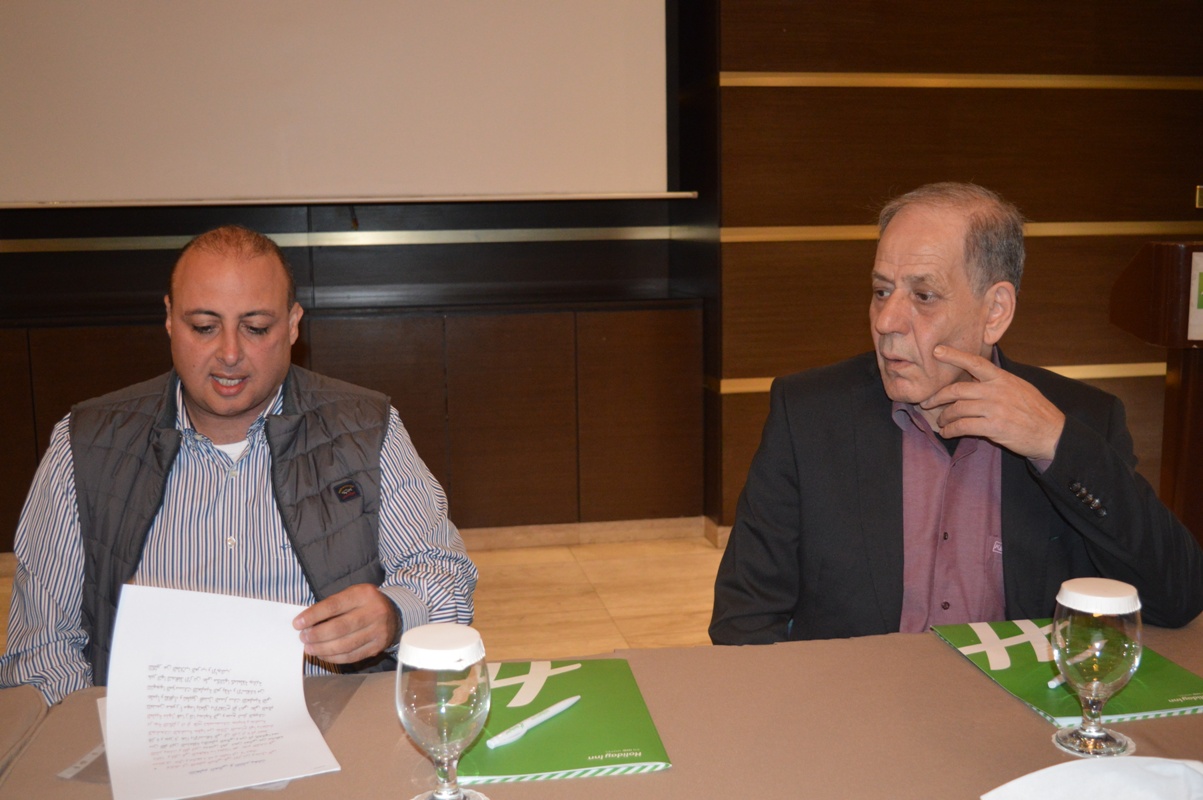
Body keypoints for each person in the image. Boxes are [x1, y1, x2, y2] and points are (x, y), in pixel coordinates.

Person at [0, 225, 478, 704]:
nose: (230, 354)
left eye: (256, 328)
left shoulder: (364, 427)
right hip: (149, 734)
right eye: (204, 327)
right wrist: (97, 735)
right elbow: (41, 649)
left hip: (330, 726)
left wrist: (393, 614)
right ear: (169, 319)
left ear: (293, 324)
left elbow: (444, 573)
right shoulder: (86, 444)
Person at [710, 182, 1203, 645]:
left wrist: (1056, 444)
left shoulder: (1080, 420)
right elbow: (744, 616)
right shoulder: (809, 414)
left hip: (1014, 703)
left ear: (995, 311)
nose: (886, 321)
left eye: (923, 296)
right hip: (854, 700)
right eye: (882, 291)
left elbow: (1177, 598)